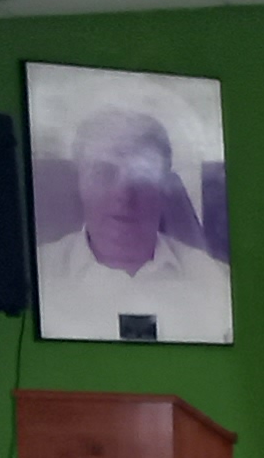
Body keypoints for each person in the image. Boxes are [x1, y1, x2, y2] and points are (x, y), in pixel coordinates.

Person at [34, 107, 229, 342]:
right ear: (79, 183)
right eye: (104, 172)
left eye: (141, 176)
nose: (123, 194)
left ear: (164, 187)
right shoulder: (37, 278)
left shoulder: (218, 281)